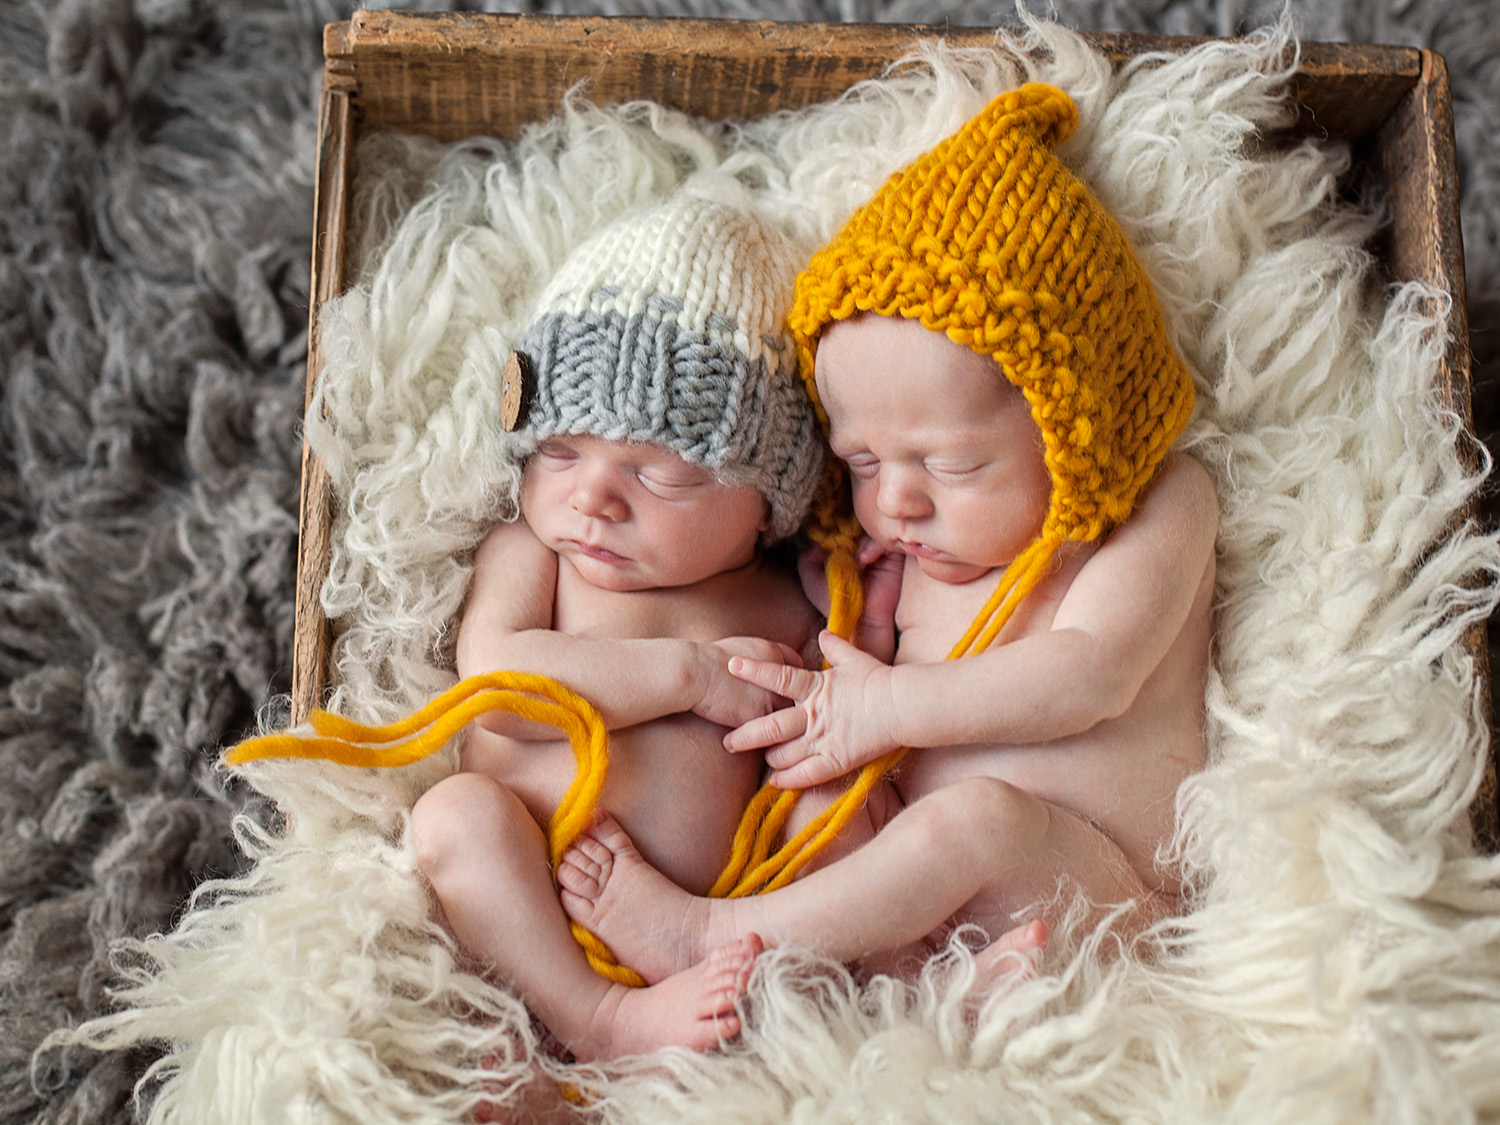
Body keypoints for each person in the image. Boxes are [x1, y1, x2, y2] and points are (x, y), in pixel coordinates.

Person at [553, 83, 1218, 987]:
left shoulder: (1156, 506)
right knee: (822, 794)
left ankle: (715, 939)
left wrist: (886, 710)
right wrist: (847, 633)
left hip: (1090, 896)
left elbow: (1089, 674)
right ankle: (815, 997)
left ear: (1075, 424)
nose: (897, 503)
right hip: (923, 908)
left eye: (946, 465)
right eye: (862, 464)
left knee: (977, 818)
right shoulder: (904, 549)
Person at [409, 196, 826, 1061]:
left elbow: (845, 731)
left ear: (766, 509)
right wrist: (692, 675)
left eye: (657, 475)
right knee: (454, 818)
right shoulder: (534, 554)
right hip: (528, 905)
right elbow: (499, 688)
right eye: (560, 452)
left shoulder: (789, 601)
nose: (592, 497)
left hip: (717, 943)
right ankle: (594, 1017)